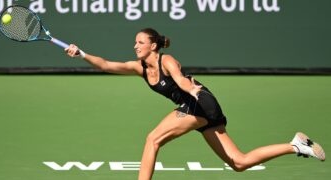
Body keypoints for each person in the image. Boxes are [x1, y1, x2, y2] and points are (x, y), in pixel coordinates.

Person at [65, 28, 325, 180]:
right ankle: (296, 146)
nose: (135, 46)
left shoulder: (166, 61)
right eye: (135, 42)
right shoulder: (139, 67)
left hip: (198, 102)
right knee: (239, 163)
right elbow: (107, 65)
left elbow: (180, 79)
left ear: (153, 45)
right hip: (201, 108)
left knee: (152, 139)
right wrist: (82, 54)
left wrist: (191, 89)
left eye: (140, 42)